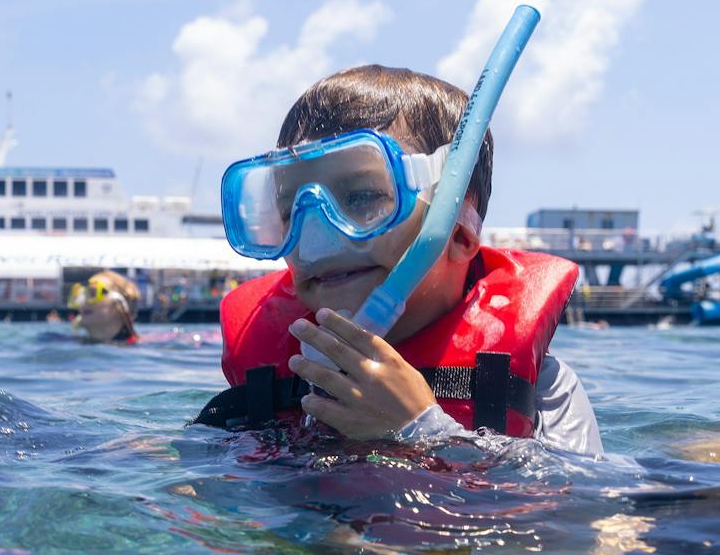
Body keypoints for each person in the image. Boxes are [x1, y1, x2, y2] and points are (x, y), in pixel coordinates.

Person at [194, 65, 602, 455]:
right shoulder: (268, 380)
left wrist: (421, 431)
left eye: (362, 197)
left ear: (458, 233)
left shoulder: (541, 390)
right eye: (290, 212)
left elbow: (585, 517)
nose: (315, 239)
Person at [67, 270, 142, 343]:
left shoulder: (138, 347)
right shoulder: (67, 341)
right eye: (81, 294)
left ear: (119, 304)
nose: (83, 301)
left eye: (93, 293)